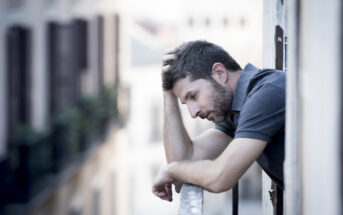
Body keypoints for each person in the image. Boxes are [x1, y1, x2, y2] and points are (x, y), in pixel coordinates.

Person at [152, 40, 285, 202]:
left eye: (193, 96)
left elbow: (219, 178)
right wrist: (168, 93)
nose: (193, 113)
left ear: (220, 73)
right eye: (186, 103)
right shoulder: (235, 112)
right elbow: (183, 161)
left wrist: (172, 170)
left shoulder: (266, 94)